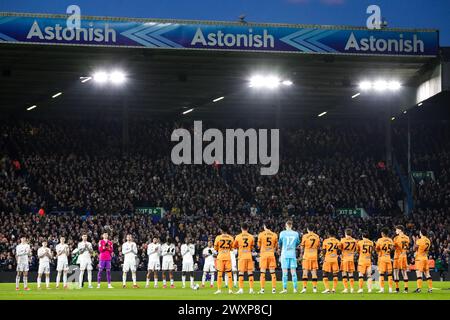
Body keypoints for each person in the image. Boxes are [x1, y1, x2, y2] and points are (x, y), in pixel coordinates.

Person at [278, 220, 300, 294]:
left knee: (284, 273)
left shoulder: (282, 233)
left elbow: (280, 244)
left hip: (284, 254)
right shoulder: (296, 234)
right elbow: (297, 243)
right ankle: (295, 289)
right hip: (292, 254)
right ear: (292, 225)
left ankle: (285, 289)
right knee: (293, 272)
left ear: (286, 225)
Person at [233, 222, 255, 294]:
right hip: (249, 256)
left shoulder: (238, 236)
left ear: (241, 228)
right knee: (250, 273)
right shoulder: (251, 236)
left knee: (241, 273)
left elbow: (234, 246)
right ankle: (251, 289)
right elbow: (252, 246)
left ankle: (241, 289)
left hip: (241, 256)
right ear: (247, 228)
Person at [257, 221, 278, 294]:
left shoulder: (261, 234)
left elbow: (258, 246)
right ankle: (274, 289)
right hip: (271, 254)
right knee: (272, 272)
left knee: (262, 272)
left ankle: (262, 289)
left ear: (265, 226)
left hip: (263, 255)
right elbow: (276, 246)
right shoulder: (274, 235)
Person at [213, 225, 234, 294]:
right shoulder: (231, 238)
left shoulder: (218, 237)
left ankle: (219, 290)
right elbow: (232, 248)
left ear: (221, 230)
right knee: (229, 274)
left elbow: (215, 248)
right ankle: (230, 290)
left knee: (219, 274)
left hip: (220, 257)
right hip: (228, 256)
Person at [300, 224, 320, 293]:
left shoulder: (305, 236)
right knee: (314, 272)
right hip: (314, 256)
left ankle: (304, 288)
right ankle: (314, 288)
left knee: (305, 272)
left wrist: (301, 254)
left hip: (307, 256)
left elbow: (302, 247)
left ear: (307, 229)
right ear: (313, 229)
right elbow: (318, 247)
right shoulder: (317, 236)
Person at [375, 227, 394, 293]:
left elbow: (377, 249)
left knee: (381, 274)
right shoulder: (390, 240)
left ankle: (382, 289)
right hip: (388, 258)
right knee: (389, 274)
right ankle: (390, 289)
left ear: (382, 233)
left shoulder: (379, 240)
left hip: (382, 258)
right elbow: (392, 248)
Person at [321, 229, 340, 294]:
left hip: (327, 259)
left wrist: (324, 257)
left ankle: (327, 289)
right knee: (335, 274)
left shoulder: (325, 241)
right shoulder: (337, 241)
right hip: (335, 259)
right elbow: (339, 251)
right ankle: (334, 289)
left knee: (325, 273)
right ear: (334, 234)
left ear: (328, 234)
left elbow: (323, 251)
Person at [393, 225, 410, 293]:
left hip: (397, 256)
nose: (395, 231)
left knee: (396, 272)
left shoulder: (396, 238)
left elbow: (394, 247)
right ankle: (406, 289)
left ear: (400, 230)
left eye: (396, 230)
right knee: (404, 272)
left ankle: (397, 289)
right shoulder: (407, 238)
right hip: (404, 256)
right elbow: (406, 247)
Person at [340, 228, 357, 293]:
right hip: (351, 259)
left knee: (344, 274)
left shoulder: (342, 240)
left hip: (344, 259)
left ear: (345, 233)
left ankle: (346, 289)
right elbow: (356, 249)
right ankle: (352, 289)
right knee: (351, 274)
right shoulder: (354, 240)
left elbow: (340, 248)